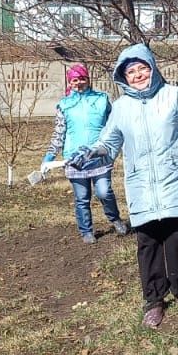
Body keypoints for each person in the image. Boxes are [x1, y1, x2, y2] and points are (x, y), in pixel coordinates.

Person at [72, 44, 178, 329]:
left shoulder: (174, 97)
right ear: (123, 76)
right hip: (142, 184)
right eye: (131, 71)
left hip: (177, 180)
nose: (138, 74)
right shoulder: (121, 108)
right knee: (148, 242)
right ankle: (154, 300)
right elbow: (110, 142)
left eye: (143, 68)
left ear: (153, 68)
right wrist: (92, 152)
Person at [41, 63, 128, 244]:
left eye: (82, 78)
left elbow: (114, 127)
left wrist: (119, 147)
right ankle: (86, 231)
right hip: (74, 159)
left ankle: (115, 219)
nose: (79, 82)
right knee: (82, 198)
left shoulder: (102, 99)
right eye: (75, 80)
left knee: (104, 192)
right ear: (70, 82)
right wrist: (49, 158)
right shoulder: (64, 105)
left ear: (88, 79)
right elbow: (59, 134)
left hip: (99, 155)